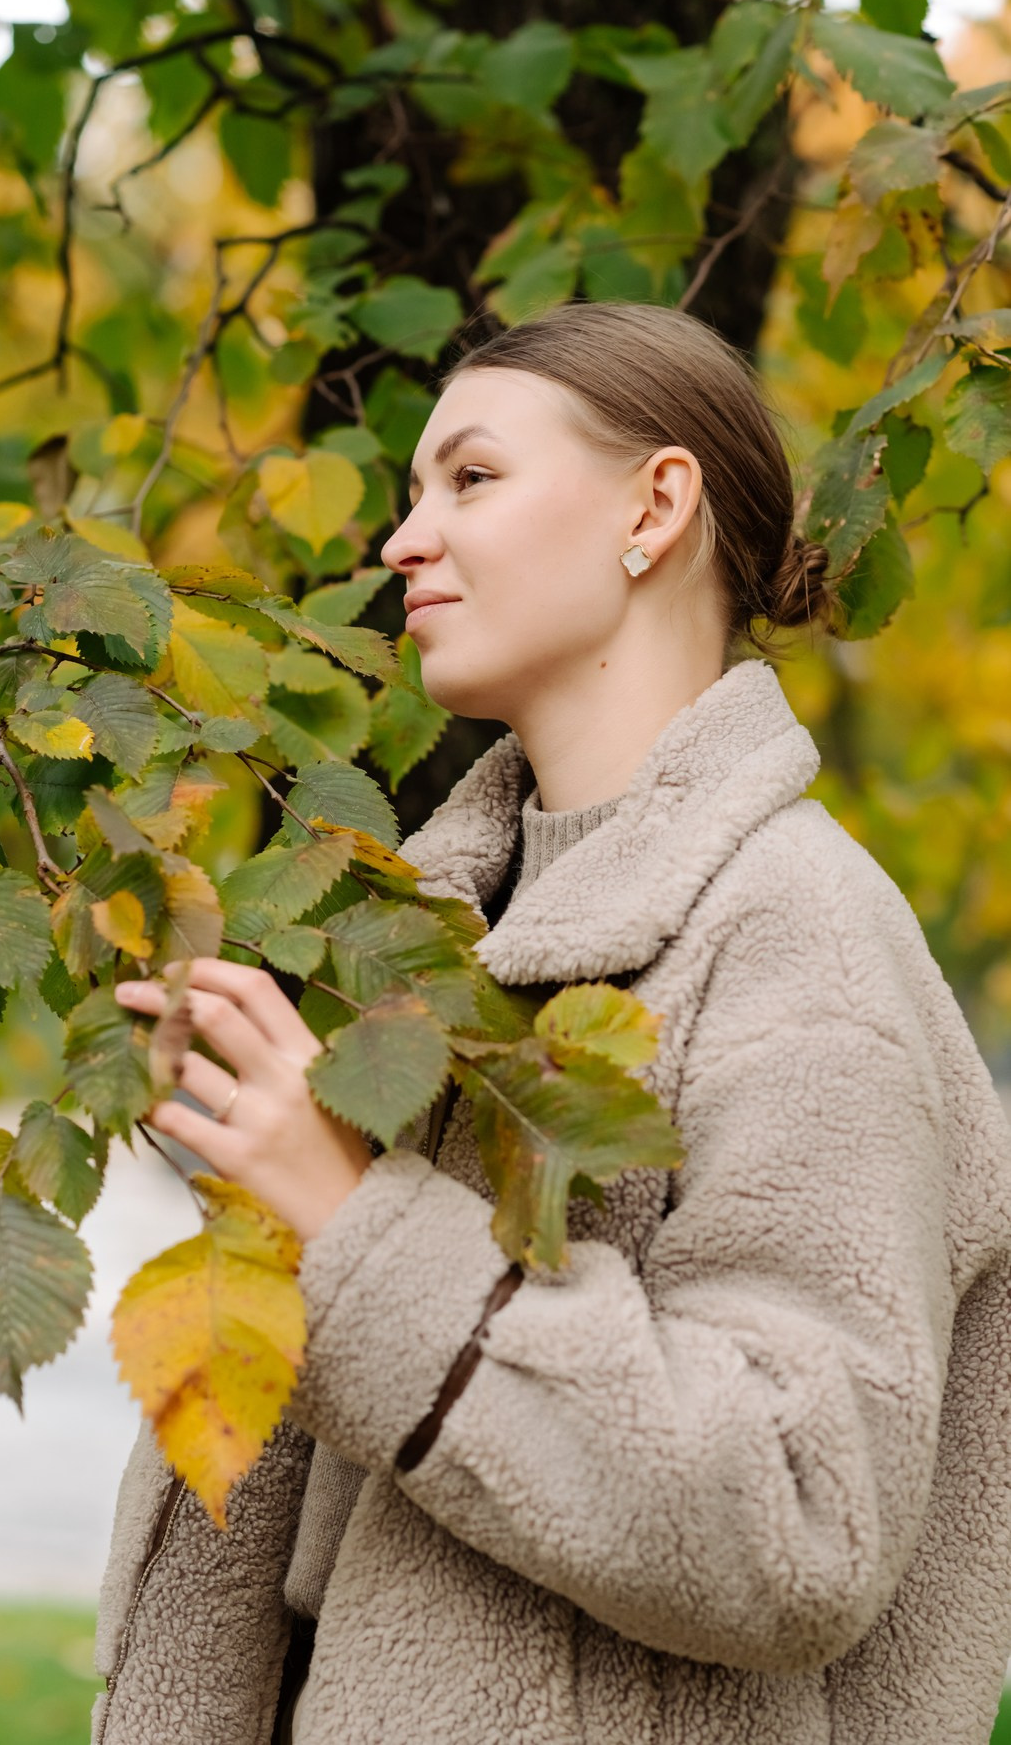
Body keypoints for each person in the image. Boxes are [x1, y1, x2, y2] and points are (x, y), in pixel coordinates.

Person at [91, 301, 1011, 1745]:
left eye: (470, 479)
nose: (403, 541)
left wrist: (357, 1237)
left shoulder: (802, 941)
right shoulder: (426, 959)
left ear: (656, 506)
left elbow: (800, 1518)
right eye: (406, 495)